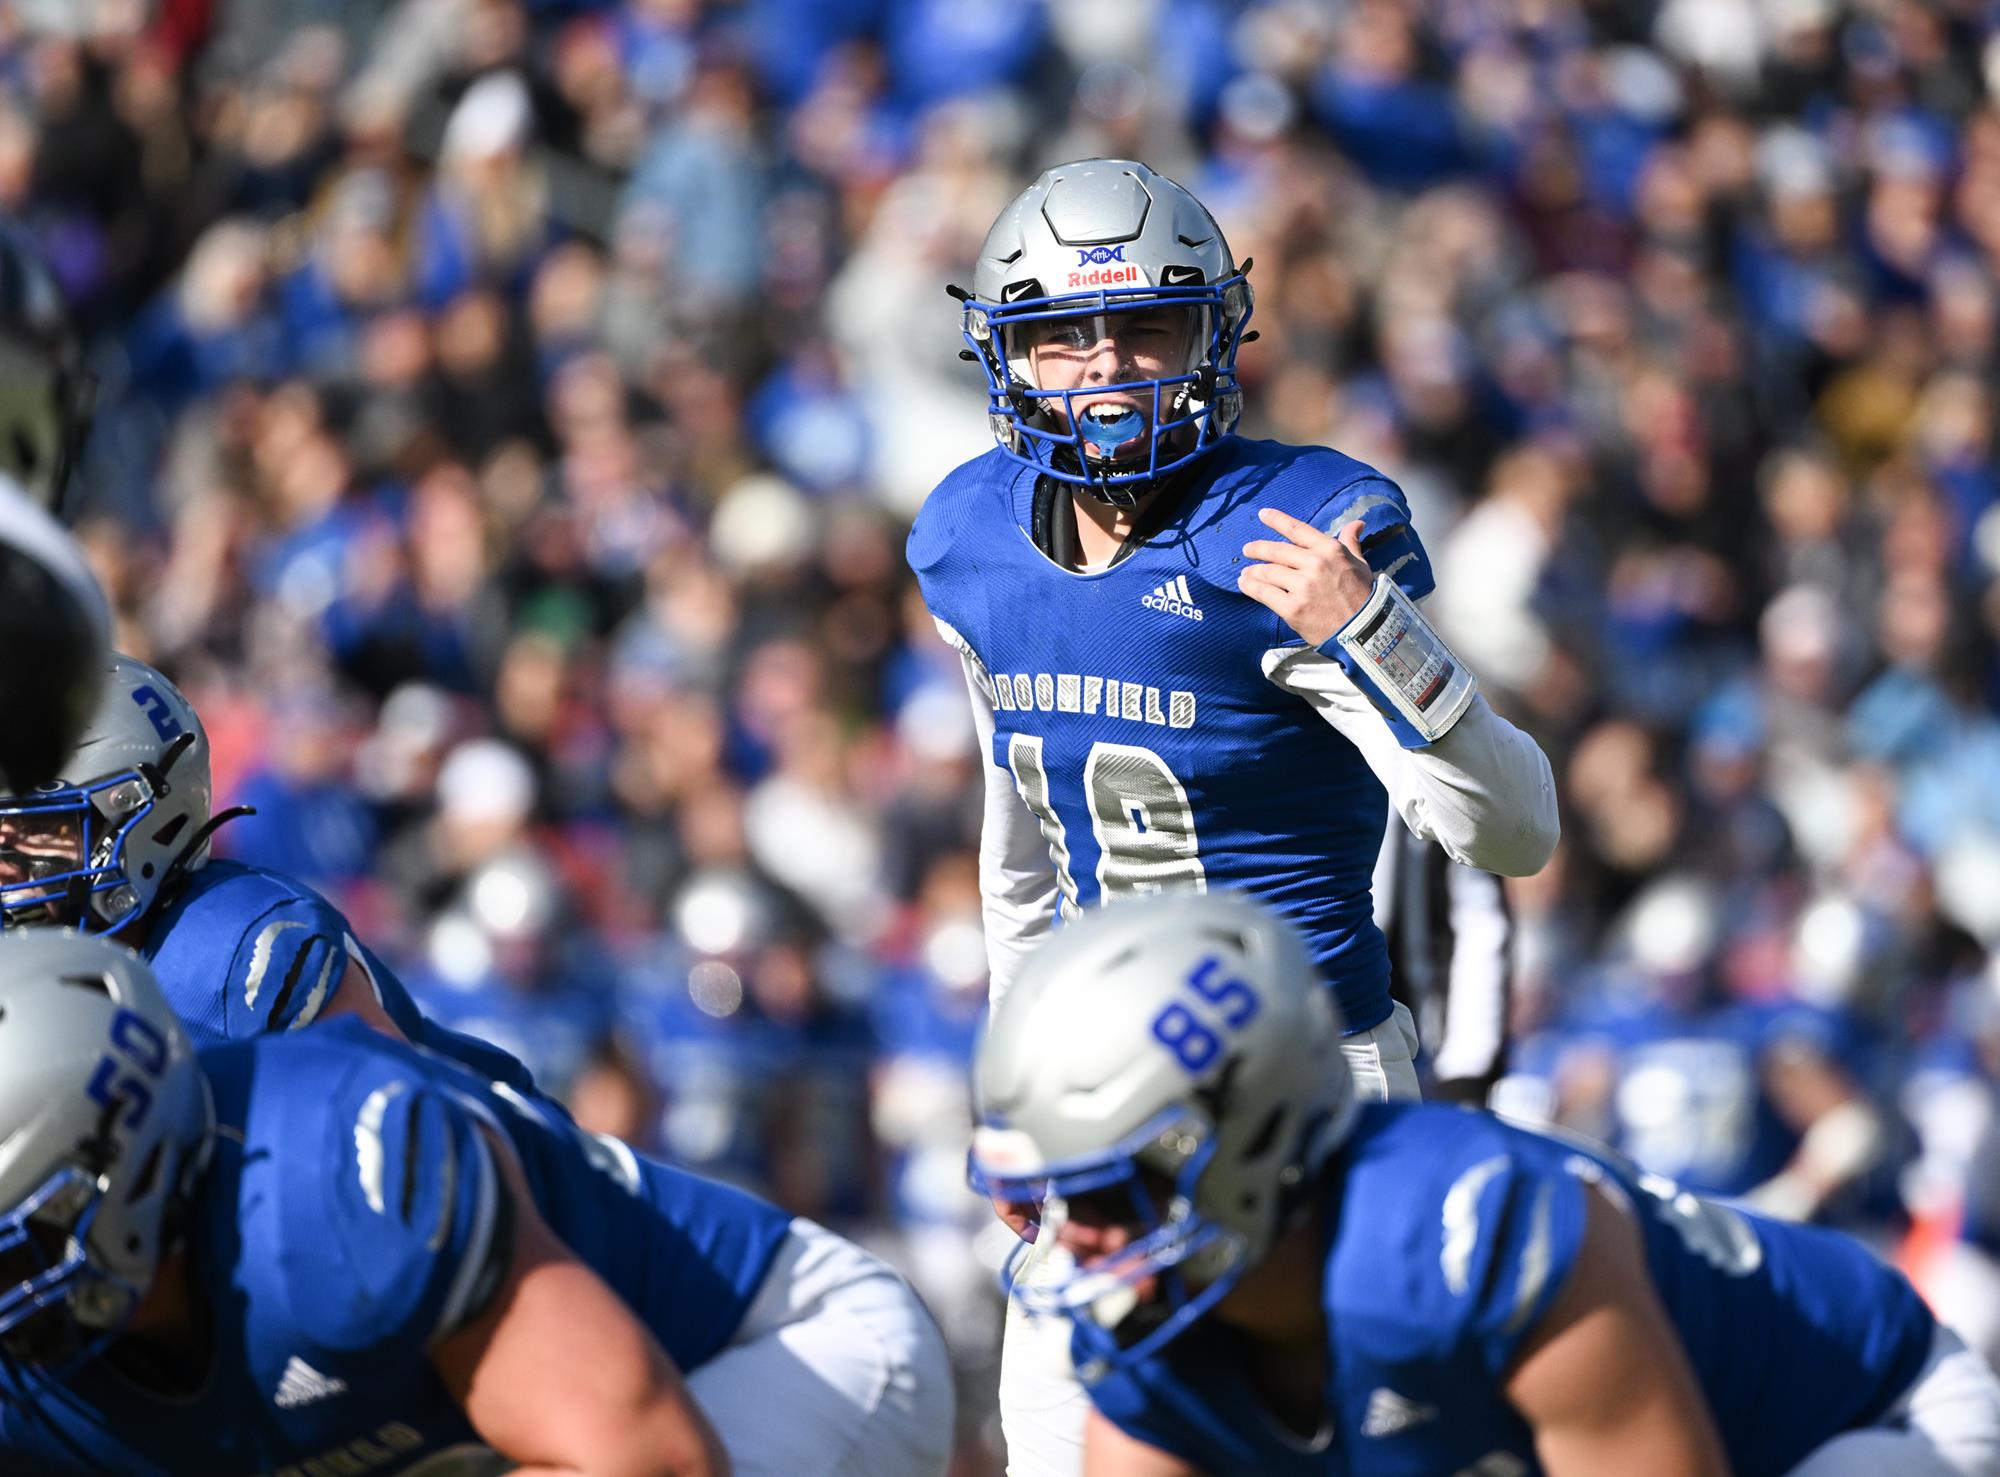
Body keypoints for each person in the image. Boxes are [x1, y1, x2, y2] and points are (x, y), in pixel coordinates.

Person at [907, 156, 1558, 1470]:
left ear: (1214, 333)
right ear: (1004, 356)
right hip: (1099, 1088)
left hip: (1315, 1079)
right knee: (1060, 1444)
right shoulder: (972, 538)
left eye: (1146, 326)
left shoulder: (1299, 533)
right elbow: (1024, 849)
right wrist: (1015, 1080)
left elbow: (1517, 830)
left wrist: (1375, 631)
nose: (1109, 370)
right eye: (1064, 339)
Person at [968, 891, 2000, 1477]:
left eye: (1106, 1197)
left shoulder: (1457, 1237)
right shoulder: (1155, 1312)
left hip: (1854, 1427)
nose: (1076, 1241)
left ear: (1244, 1144)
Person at [0, 928, 953, 1476]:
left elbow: (653, 1462)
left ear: (124, 1164)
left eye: (16, 1243)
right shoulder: (41, 1359)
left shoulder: (326, 1183)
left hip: (767, 1350)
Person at [0, 651, 536, 1090]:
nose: (5, 849)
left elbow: (418, 1149)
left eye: (36, 823)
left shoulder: (225, 957)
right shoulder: (44, 963)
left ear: (140, 819)